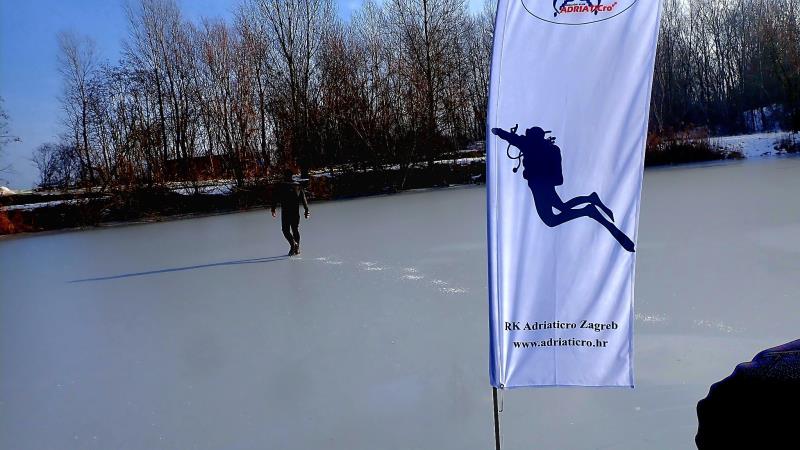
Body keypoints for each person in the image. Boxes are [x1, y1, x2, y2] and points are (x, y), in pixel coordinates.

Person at [492, 125, 635, 252]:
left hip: (538, 187)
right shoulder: (551, 149)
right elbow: (558, 178)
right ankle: (590, 201)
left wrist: (497, 131)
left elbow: (510, 137)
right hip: (546, 186)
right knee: (563, 207)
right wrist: (499, 131)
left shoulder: (527, 144)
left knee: (551, 220)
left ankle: (589, 210)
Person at [271, 169, 310, 256]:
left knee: (285, 230)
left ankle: (293, 245)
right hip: (295, 211)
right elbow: (303, 199)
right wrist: (306, 209)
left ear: (284, 176)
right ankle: (297, 248)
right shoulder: (298, 185)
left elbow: (275, 198)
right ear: (292, 176)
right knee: (295, 229)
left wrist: (273, 209)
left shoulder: (280, 186)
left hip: (286, 211)